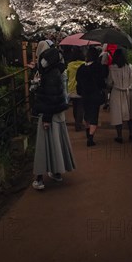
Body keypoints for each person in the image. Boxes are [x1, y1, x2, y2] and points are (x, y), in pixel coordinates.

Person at [32, 41, 75, 190]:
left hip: (49, 113)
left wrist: (46, 118)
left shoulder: (50, 74)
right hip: (59, 113)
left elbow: (50, 96)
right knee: (57, 143)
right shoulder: (58, 71)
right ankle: (56, 172)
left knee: (43, 146)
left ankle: (39, 179)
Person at [76, 46, 107, 147]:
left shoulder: (81, 68)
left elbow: (78, 82)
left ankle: (87, 132)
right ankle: (90, 137)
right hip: (95, 94)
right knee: (94, 115)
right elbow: (102, 81)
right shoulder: (98, 67)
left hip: (85, 95)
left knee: (87, 114)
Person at [107, 49, 132, 143]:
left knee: (117, 115)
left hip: (116, 93)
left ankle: (119, 136)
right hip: (129, 92)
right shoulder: (130, 67)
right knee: (131, 114)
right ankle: (131, 134)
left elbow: (109, 82)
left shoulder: (111, 68)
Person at [66, 47, 85, 131]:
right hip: (81, 87)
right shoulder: (84, 64)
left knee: (75, 106)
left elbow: (67, 76)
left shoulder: (70, 65)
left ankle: (77, 122)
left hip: (72, 88)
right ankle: (79, 123)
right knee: (81, 107)